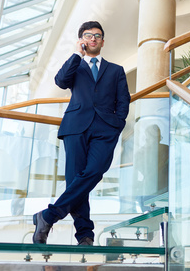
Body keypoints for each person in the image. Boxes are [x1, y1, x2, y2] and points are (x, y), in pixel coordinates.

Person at [33, 21, 130, 246]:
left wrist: (117, 124)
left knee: (95, 171)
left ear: (103, 41)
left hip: (106, 129)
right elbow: (60, 81)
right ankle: (85, 235)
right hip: (76, 127)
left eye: (97, 35)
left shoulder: (116, 70)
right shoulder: (75, 64)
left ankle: (47, 217)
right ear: (82, 40)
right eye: (88, 35)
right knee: (76, 181)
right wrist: (77, 54)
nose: (93, 38)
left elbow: (123, 100)